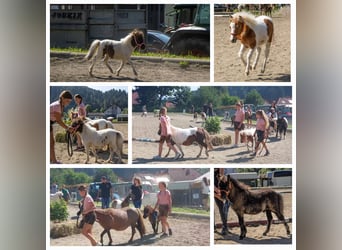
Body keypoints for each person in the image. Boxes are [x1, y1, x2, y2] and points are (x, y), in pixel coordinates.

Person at [50, 90, 74, 164]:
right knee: (51, 142)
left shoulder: (61, 105)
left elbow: (59, 118)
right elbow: (59, 121)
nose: (68, 103)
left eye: (69, 101)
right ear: (62, 98)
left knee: (51, 142)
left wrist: (67, 126)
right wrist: (67, 128)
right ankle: (54, 161)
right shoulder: (57, 105)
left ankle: (51, 159)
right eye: (67, 101)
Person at [214, 168, 230, 235]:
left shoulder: (221, 174)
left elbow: (222, 176)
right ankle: (215, 226)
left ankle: (225, 226)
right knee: (221, 208)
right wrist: (216, 192)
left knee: (223, 208)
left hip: (222, 190)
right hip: (215, 190)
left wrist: (220, 192)